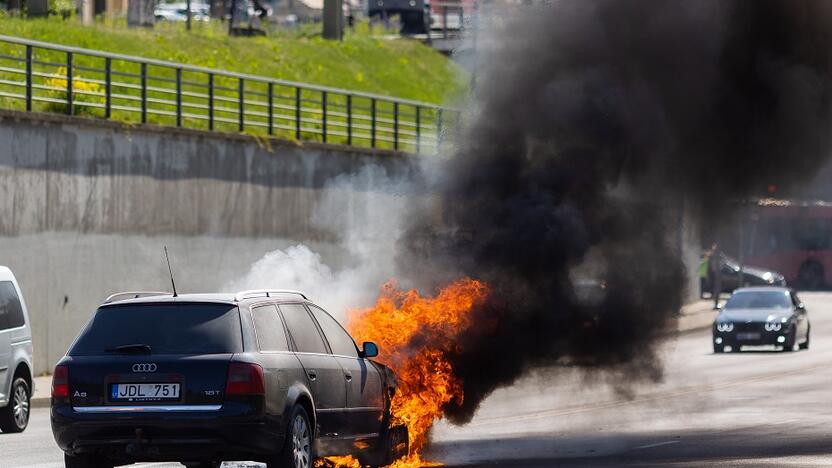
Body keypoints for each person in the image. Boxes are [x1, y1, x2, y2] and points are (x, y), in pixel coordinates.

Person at [708, 244, 723, 309]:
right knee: (716, 290)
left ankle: (716, 303)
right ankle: (716, 303)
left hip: (716, 275)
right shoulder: (715, 256)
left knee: (717, 290)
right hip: (715, 275)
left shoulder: (716, 256)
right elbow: (713, 267)